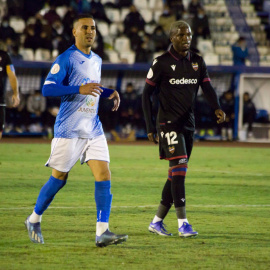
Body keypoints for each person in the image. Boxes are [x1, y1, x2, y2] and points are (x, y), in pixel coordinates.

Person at [24, 14, 128, 247]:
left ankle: (102, 232)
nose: (90, 32)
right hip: (69, 129)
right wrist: (78, 88)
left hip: (92, 126)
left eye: (93, 28)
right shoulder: (67, 58)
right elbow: (47, 89)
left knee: (104, 175)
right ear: (75, 32)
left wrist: (108, 90)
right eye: (85, 28)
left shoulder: (98, 59)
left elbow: (92, 87)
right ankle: (33, 219)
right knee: (59, 178)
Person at [142, 21, 226, 237]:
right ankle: (183, 224)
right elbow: (146, 95)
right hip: (168, 123)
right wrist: (150, 126)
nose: (186, 38)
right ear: (172, 38)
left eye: (188, 34)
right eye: (180, 35)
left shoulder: (198, 61)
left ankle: (156, 222)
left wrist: (216, 107)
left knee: (175, 174)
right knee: (180, 169)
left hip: (188, 124)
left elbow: (207, 87)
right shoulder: (160, 63)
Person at [0, 42, 20, 139]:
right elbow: (12, 75)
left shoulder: (5, 56)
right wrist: (16, 94)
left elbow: (12, 76)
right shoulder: (4, 56)